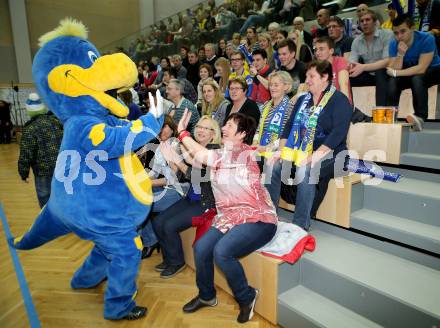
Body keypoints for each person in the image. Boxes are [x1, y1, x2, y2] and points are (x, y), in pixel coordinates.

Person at [174, 111, 277, 324]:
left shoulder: (242, 153)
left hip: (257, 218)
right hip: (229, 217)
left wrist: (183, 132)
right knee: (201, 248)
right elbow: (197, 159)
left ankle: (246, 296)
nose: (225, 127)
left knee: (222, 252)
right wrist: (182, 141)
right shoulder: (222, 154)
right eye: (226, 123)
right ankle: (206, 296)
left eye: (231, 125)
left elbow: (202, 156)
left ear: (242, 134)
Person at [266, 60, 352, 230]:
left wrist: (314, 156)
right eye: (306, 76)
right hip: (301, 152)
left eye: (312, 76)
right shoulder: (302, 99)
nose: (307, 80)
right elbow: (289, 126)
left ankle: (300, 226)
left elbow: (338, 134)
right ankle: (269, 218)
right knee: (272, 165)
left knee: (306, 170)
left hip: (334, 154)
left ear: (325, 77)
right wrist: (282, 152)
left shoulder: (339, 100)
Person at [152, 116, 222, 278]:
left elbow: (198, 176)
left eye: (206, 128)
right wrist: (172, 159)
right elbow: (181, 175)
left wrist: (176, 159)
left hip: (206, 204)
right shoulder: (193, 148)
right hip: (191, 198)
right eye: (199, 126)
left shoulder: (214, 151)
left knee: (169, 226)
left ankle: (177, 262)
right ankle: (169, 259)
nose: (201, 130)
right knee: (158, 221)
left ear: (214, 134)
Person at [137, 115, 189, 259]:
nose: (164, 130)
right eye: (161, 127)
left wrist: (146, 182)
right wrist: (140, 181)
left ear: (173, 129)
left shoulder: (175, 145)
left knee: (140, 203)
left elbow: (173, 179)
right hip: (166, 188)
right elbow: (155, 172)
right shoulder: (160, 145)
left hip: (180, 189)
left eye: (167, 127)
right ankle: (148, 239)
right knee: (133, 195)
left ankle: (149, 241)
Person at [386, 14, 440, 131]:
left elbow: (421, 68)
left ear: (412, 28)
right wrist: (400, 55)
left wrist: (396, 73)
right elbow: (392, 69)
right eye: (396, 33)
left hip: (433, 70)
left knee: (417, 78)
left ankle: (420, 117)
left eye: (403, 31)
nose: (399, 36)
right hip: (410, 70)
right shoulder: (393, 44)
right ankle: (390, 116)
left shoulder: (427, 39)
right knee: (393, 81)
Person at [18, 93, 63, 208]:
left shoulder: (30, 129)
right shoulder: (56, 122)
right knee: (64, 196)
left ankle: (48, 220)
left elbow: (26, 153)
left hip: (43, 172)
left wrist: (24, 173)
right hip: (63, 167)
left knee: (45, 198)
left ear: (29, 111)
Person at [349, 10, 393, 107]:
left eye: (367, 20)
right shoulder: (357, 41)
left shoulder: (387, 34)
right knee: (348, 78)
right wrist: (349, 67)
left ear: (375, 22)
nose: (364, 23)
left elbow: (387, 62)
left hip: (387, 73)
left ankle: (380, 112)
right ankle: (351, 111)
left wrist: (363, 67)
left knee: (380, 71)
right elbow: (352, 62)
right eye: (362, 21)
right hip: (368, 75)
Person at [256, 71, 294, 184]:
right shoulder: (265, 106)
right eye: (271, 85)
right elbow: (258, 128)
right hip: (261, 148)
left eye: (276, 85)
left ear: (286, 86)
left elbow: (288, 133)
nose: (272, 88)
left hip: (279, 150)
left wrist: (268, 147)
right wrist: (254, 143)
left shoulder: (290, 107)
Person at [315, 37, 353, 104]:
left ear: (331, 51)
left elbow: (344, 85)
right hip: (323, 106)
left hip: (341, 103)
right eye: (316, 49)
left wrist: (344, 106)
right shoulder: (315, 67)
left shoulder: (340, 61)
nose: (317, 53)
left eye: (321, 49)